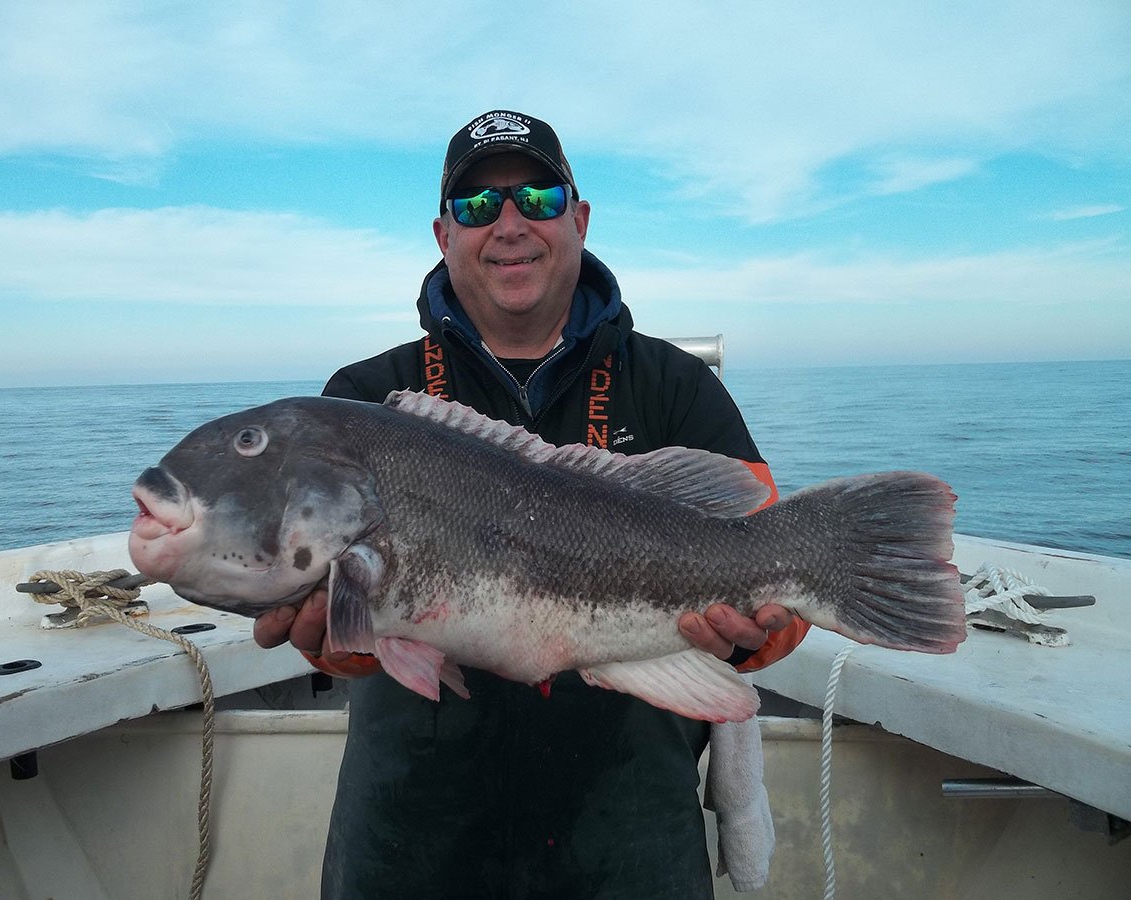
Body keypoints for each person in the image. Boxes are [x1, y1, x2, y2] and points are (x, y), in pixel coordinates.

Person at [254, 109, 810, 900]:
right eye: (478, 206)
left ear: (578, 219)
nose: (509, 224)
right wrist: (331, 638)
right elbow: (342, 638)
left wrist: (754, 635)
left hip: (630, 836)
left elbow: (776, 569)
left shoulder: (676, 388)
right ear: (444, 235)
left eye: (538, 198)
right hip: (412, 839)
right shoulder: (365, 400)